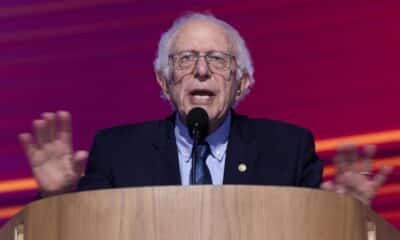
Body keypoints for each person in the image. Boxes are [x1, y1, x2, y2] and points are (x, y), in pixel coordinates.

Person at [18, 13, 392, 204]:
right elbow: (84, 234)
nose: (201, 70)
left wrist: (348, 215)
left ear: (242, 82)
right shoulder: (117, 151)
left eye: (216, 58)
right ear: (163, 82)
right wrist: (56, 199)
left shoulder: (288, 149)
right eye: (185, 59)